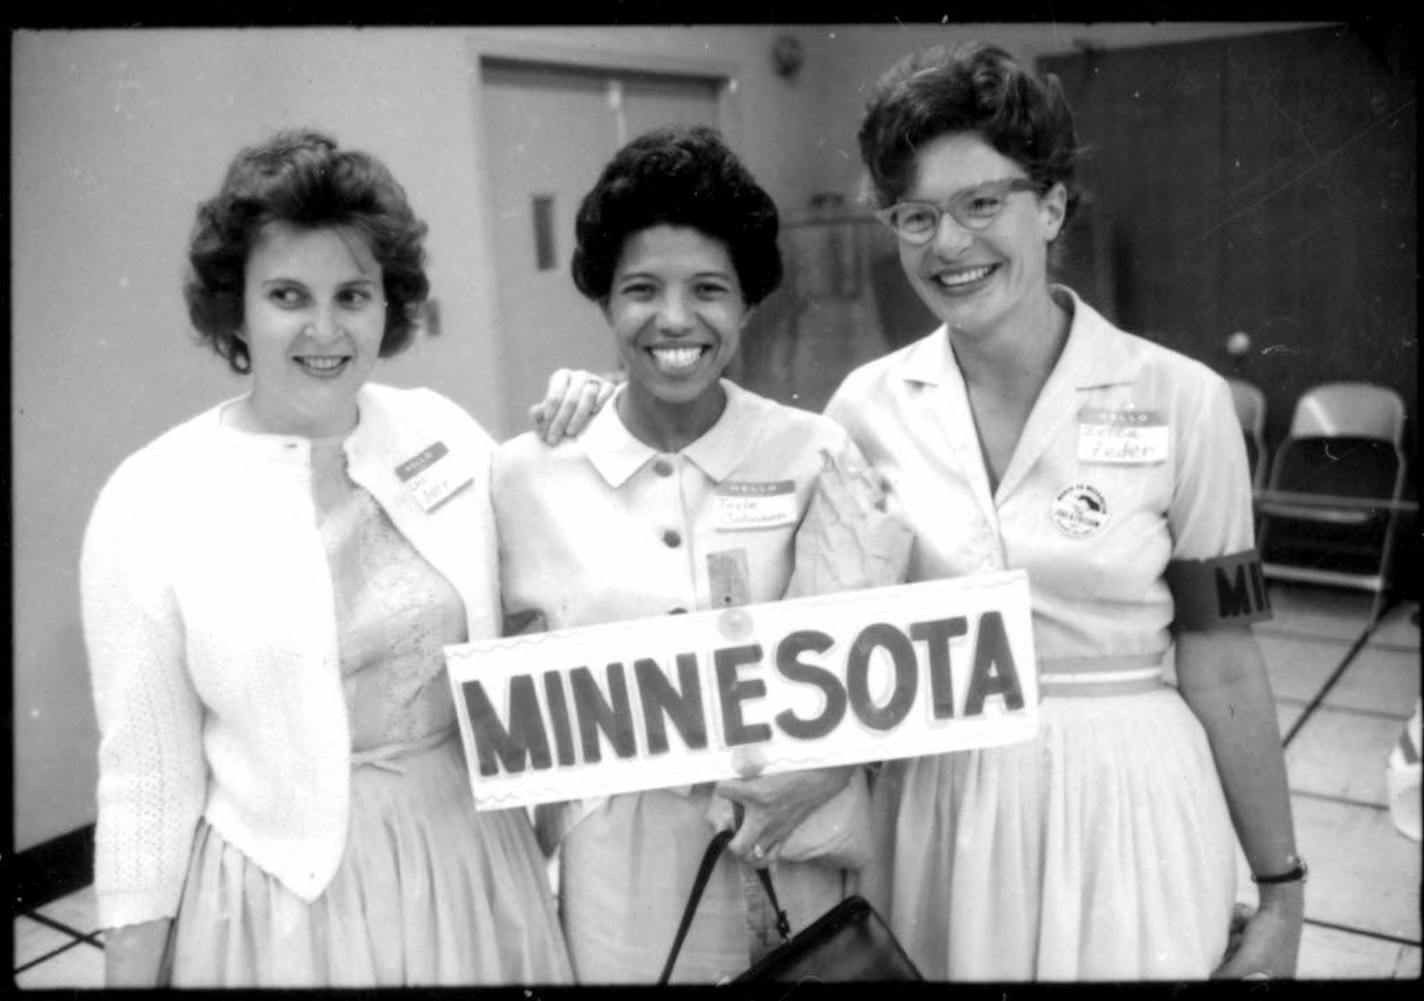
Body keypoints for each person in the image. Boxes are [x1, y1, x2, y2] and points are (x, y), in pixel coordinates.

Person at [827, 43, 1304, 979]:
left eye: (981, 204)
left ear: (1049, 206)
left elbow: (1224, 660)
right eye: (916, 215)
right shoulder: (864, 410)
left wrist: (1282, 889)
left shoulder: (1182, 400)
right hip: (940, 808)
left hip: (1127, 800)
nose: (948, 244)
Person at [80, 129, 572, 987]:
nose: (324, 328)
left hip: (467, 856)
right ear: (235, 307)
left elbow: (543, 601)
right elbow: (145, 785)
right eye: (286, 294)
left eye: (353, 294)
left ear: (391, 304)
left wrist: (601, 417)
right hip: (284, 901)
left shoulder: (443, 433)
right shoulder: (152, 497)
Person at [493, 125, 892, 983]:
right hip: (617, 872)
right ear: (604, 299)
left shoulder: (814, 453)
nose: (675, 319)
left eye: (708, 288)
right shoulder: (524, 477)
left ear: (749, 301)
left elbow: (879, 668)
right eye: (641, 289)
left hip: (789, 843)